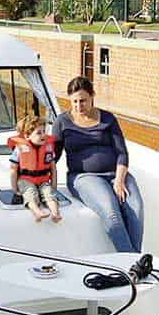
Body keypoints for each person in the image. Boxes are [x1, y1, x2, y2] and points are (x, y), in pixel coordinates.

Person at [52, 76, 143, 253]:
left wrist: (119, 181)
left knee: (136, 209)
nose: (79, 106)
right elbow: (52, 157)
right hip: (83, 177)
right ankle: (132, 261)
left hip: (116, 174)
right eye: (75, 102)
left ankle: (135, 261)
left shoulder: (108, 119)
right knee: (111, 212)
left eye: (83, 101)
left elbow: (122, 153)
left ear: (92, 96)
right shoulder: (61, 122)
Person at [9, 112, 61, 223]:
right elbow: (13, 170)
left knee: (49, 194)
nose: (43, 135)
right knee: (30, 194)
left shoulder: (48, 148)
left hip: (43, 180)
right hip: (26, 180)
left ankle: (56, 214)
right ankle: (38, 213)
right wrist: (14, 188)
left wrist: (54, 185)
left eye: (44, 132)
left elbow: (53, 168)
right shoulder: (20, 149)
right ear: (27, 136)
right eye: (38, 133)